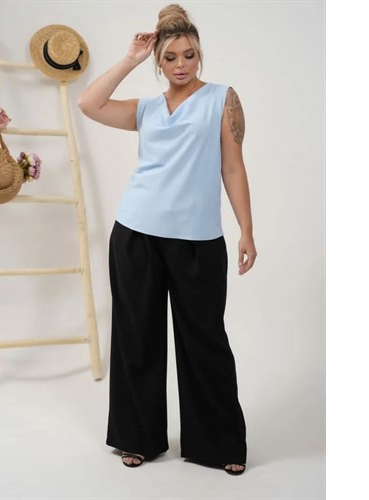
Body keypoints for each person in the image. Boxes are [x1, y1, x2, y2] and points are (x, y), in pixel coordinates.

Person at [78, 4, 257, 475]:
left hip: (198, 239)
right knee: (136, 337)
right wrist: (131, 58)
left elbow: (232, 166)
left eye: (189, 55)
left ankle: (219, 444)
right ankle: (136, 437)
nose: (181, 64)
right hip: (136, 233)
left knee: (205, 339)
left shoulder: (222, 99)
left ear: (200, 55)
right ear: (159, 61)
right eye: (171, 57)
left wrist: (246, 229)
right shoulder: (147, 109)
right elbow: (89, 104)